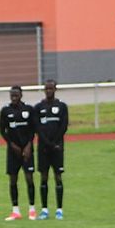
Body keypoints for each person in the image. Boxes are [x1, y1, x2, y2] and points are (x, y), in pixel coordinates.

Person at [0, 85, 36, 221]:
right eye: (12, 95)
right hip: (13, 152)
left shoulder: (28, 110)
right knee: (13, 179)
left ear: (21, 95)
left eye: (16, 95)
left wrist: (28, 145)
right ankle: (15, 211)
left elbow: (33, 129)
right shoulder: (5, 111)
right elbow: (2, 130)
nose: (14, 98)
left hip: (27, 150)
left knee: (29, 178)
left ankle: (32, 209)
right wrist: (11, 144)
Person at [34, 80, 69, 220]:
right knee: (43, 177)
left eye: (51, 88)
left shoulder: (62, 106)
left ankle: (59, 209)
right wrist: (47, 143)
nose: (48, 91)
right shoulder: (38, 107)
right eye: (46, 88)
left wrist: (55, 142)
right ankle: (44, 210)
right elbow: (37, 128)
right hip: (43, 148)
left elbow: (64, 126)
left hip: (57, 147)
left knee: (58, 177)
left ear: (55, 89)